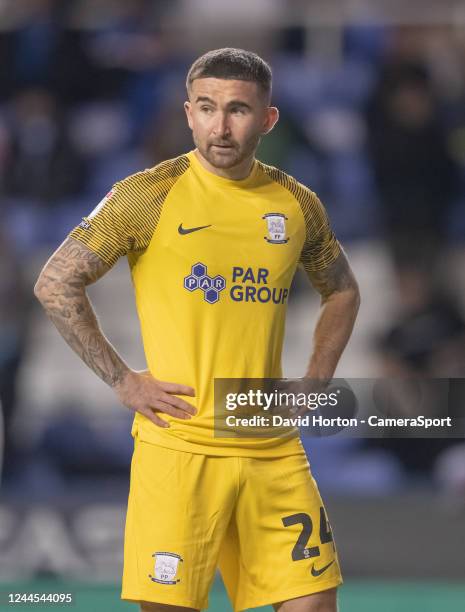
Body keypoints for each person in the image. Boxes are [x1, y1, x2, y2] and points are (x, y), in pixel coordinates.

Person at [34, 48, 360, 612]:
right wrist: (123, 381)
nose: (221, 124)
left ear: (267, 119)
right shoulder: (146, 195)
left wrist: (317, 378)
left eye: (237, 109)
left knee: (315, 604)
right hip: (178, 448)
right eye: (207, 108)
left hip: (271, 448)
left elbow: (344, 289)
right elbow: (56, 282)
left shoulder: (296, 202)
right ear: (188, 114)